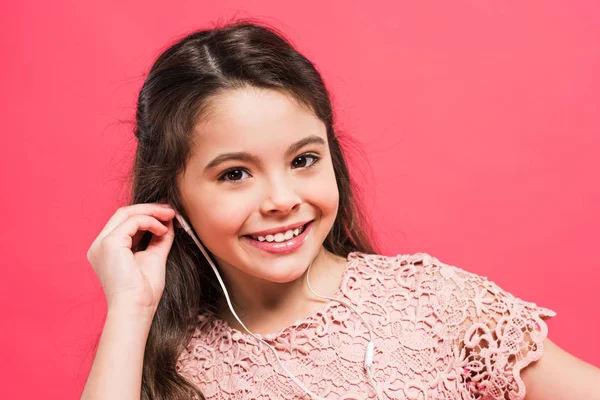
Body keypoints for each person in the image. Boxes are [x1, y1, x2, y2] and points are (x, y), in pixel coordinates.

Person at [81, 19, 600, 400]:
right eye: (235, 174)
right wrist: (131, 310)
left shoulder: (434, 305)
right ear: (171, 195)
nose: (282, 200)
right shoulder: (164, 364)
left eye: (304, 159)